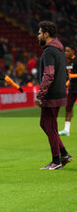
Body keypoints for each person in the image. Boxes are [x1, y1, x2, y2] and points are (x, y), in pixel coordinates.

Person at [35, 21, 72, 170]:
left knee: (49, 126)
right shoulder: (59, 50)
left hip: (51, 95)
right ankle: (63, 154)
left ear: (46, 34)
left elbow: (49, 74)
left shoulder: (49, 51)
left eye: (39, 33)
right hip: (59, 92)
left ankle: (56, 160)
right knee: (46, 124)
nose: (37, 36)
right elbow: (64, 74)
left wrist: (40, 94)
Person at [59, 44, 77, 136]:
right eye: (65, 51)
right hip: (72, 89)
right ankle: (66, 130)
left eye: (68, 51)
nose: (66, 53)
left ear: (73, 51)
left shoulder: (76, 61)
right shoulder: (66, 62)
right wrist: (65, 85)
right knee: (68, 108)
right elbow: (69, 78)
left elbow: (72, 75)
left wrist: (71, 76)